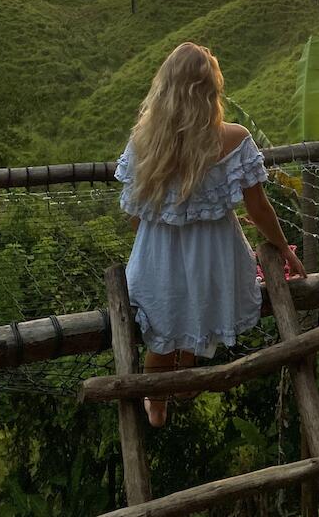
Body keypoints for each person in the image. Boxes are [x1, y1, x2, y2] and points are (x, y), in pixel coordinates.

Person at [114, 41, 305, 427]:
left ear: (165, 87)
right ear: (211, 89)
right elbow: (258, 209)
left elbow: (133, 213)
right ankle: (177, 393)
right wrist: (284, 248)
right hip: (214, 258)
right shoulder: (234, 140)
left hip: (159, 255)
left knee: (163, 328)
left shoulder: (145, 143)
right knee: (194, 326)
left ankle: (157, 400)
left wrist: (154, 240)